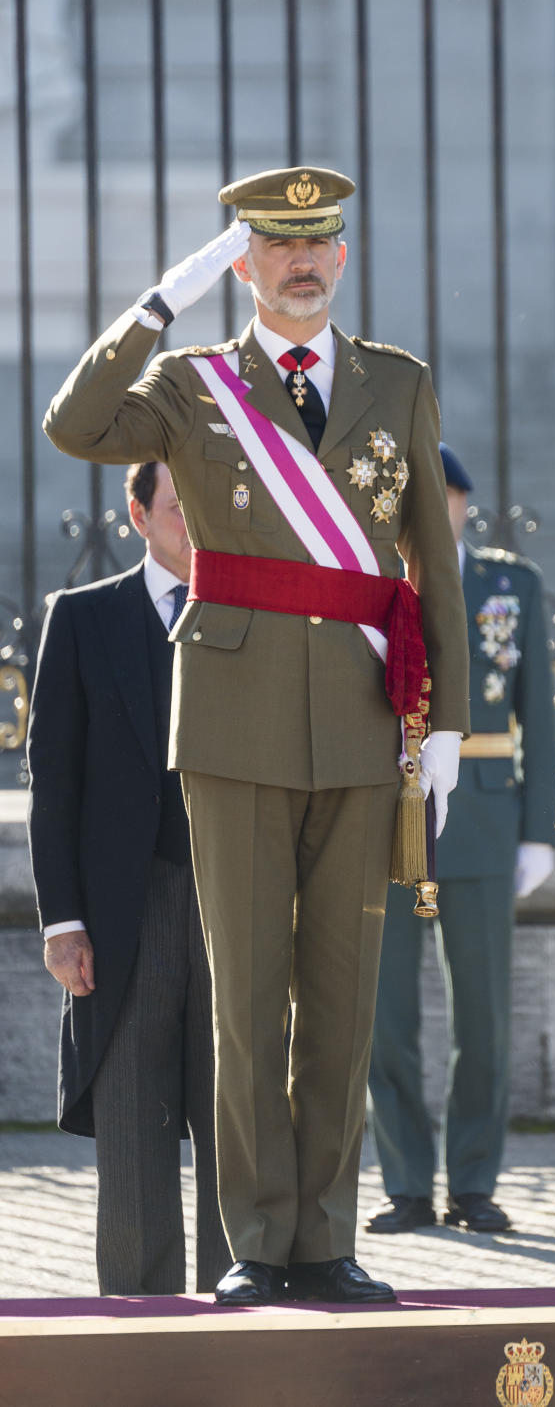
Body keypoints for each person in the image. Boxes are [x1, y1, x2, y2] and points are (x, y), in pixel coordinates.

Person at [43, 166, 470, 1306]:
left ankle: (324, 1236)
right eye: (276, 245)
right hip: (228, 720)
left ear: (341, 257)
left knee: (341, 991)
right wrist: (154, 307)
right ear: (245, 263)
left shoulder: (396, 383)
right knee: (247, 996)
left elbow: (433, 559)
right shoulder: (193, 385)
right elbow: (73, 424)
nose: (300, 261)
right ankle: (254, 1240)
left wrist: (450, 728)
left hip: (362, 716)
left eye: (318, 243)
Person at [27, 462, 230, 1296]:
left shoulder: (256, 611)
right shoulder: (81, 618)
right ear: (139, 515)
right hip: (125, 909)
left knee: (239, 1126)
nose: (197, 525)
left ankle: (243, 1308)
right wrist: (62, 920)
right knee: (135, 1130)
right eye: (182, 509)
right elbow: (54, 780)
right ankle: (143, 1329)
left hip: (235, 898)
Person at [366, 443, 555, 1235]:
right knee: (386, 1018)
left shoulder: (510, 583)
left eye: (441, 498)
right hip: (382, 813)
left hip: (481, 819)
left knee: (482, 1014)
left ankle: (473, 1183)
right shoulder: (367, 584)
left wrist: (539, 831)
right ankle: (408, 1183)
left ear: (462, 504)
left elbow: (539, 718)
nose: (431, 514)